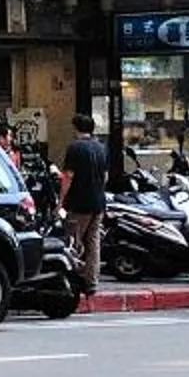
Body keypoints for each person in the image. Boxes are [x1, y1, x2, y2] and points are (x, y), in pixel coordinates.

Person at [55, 114, 110, 287]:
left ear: (76, 128)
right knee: (94, 241)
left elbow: (68, 176)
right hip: (98, 202)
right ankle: (91, 279)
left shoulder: (75, 148)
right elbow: (105, 176)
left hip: (79, 202)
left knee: (73, 240)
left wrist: (60, 201)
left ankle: (72, 278)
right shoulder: (101, 147)